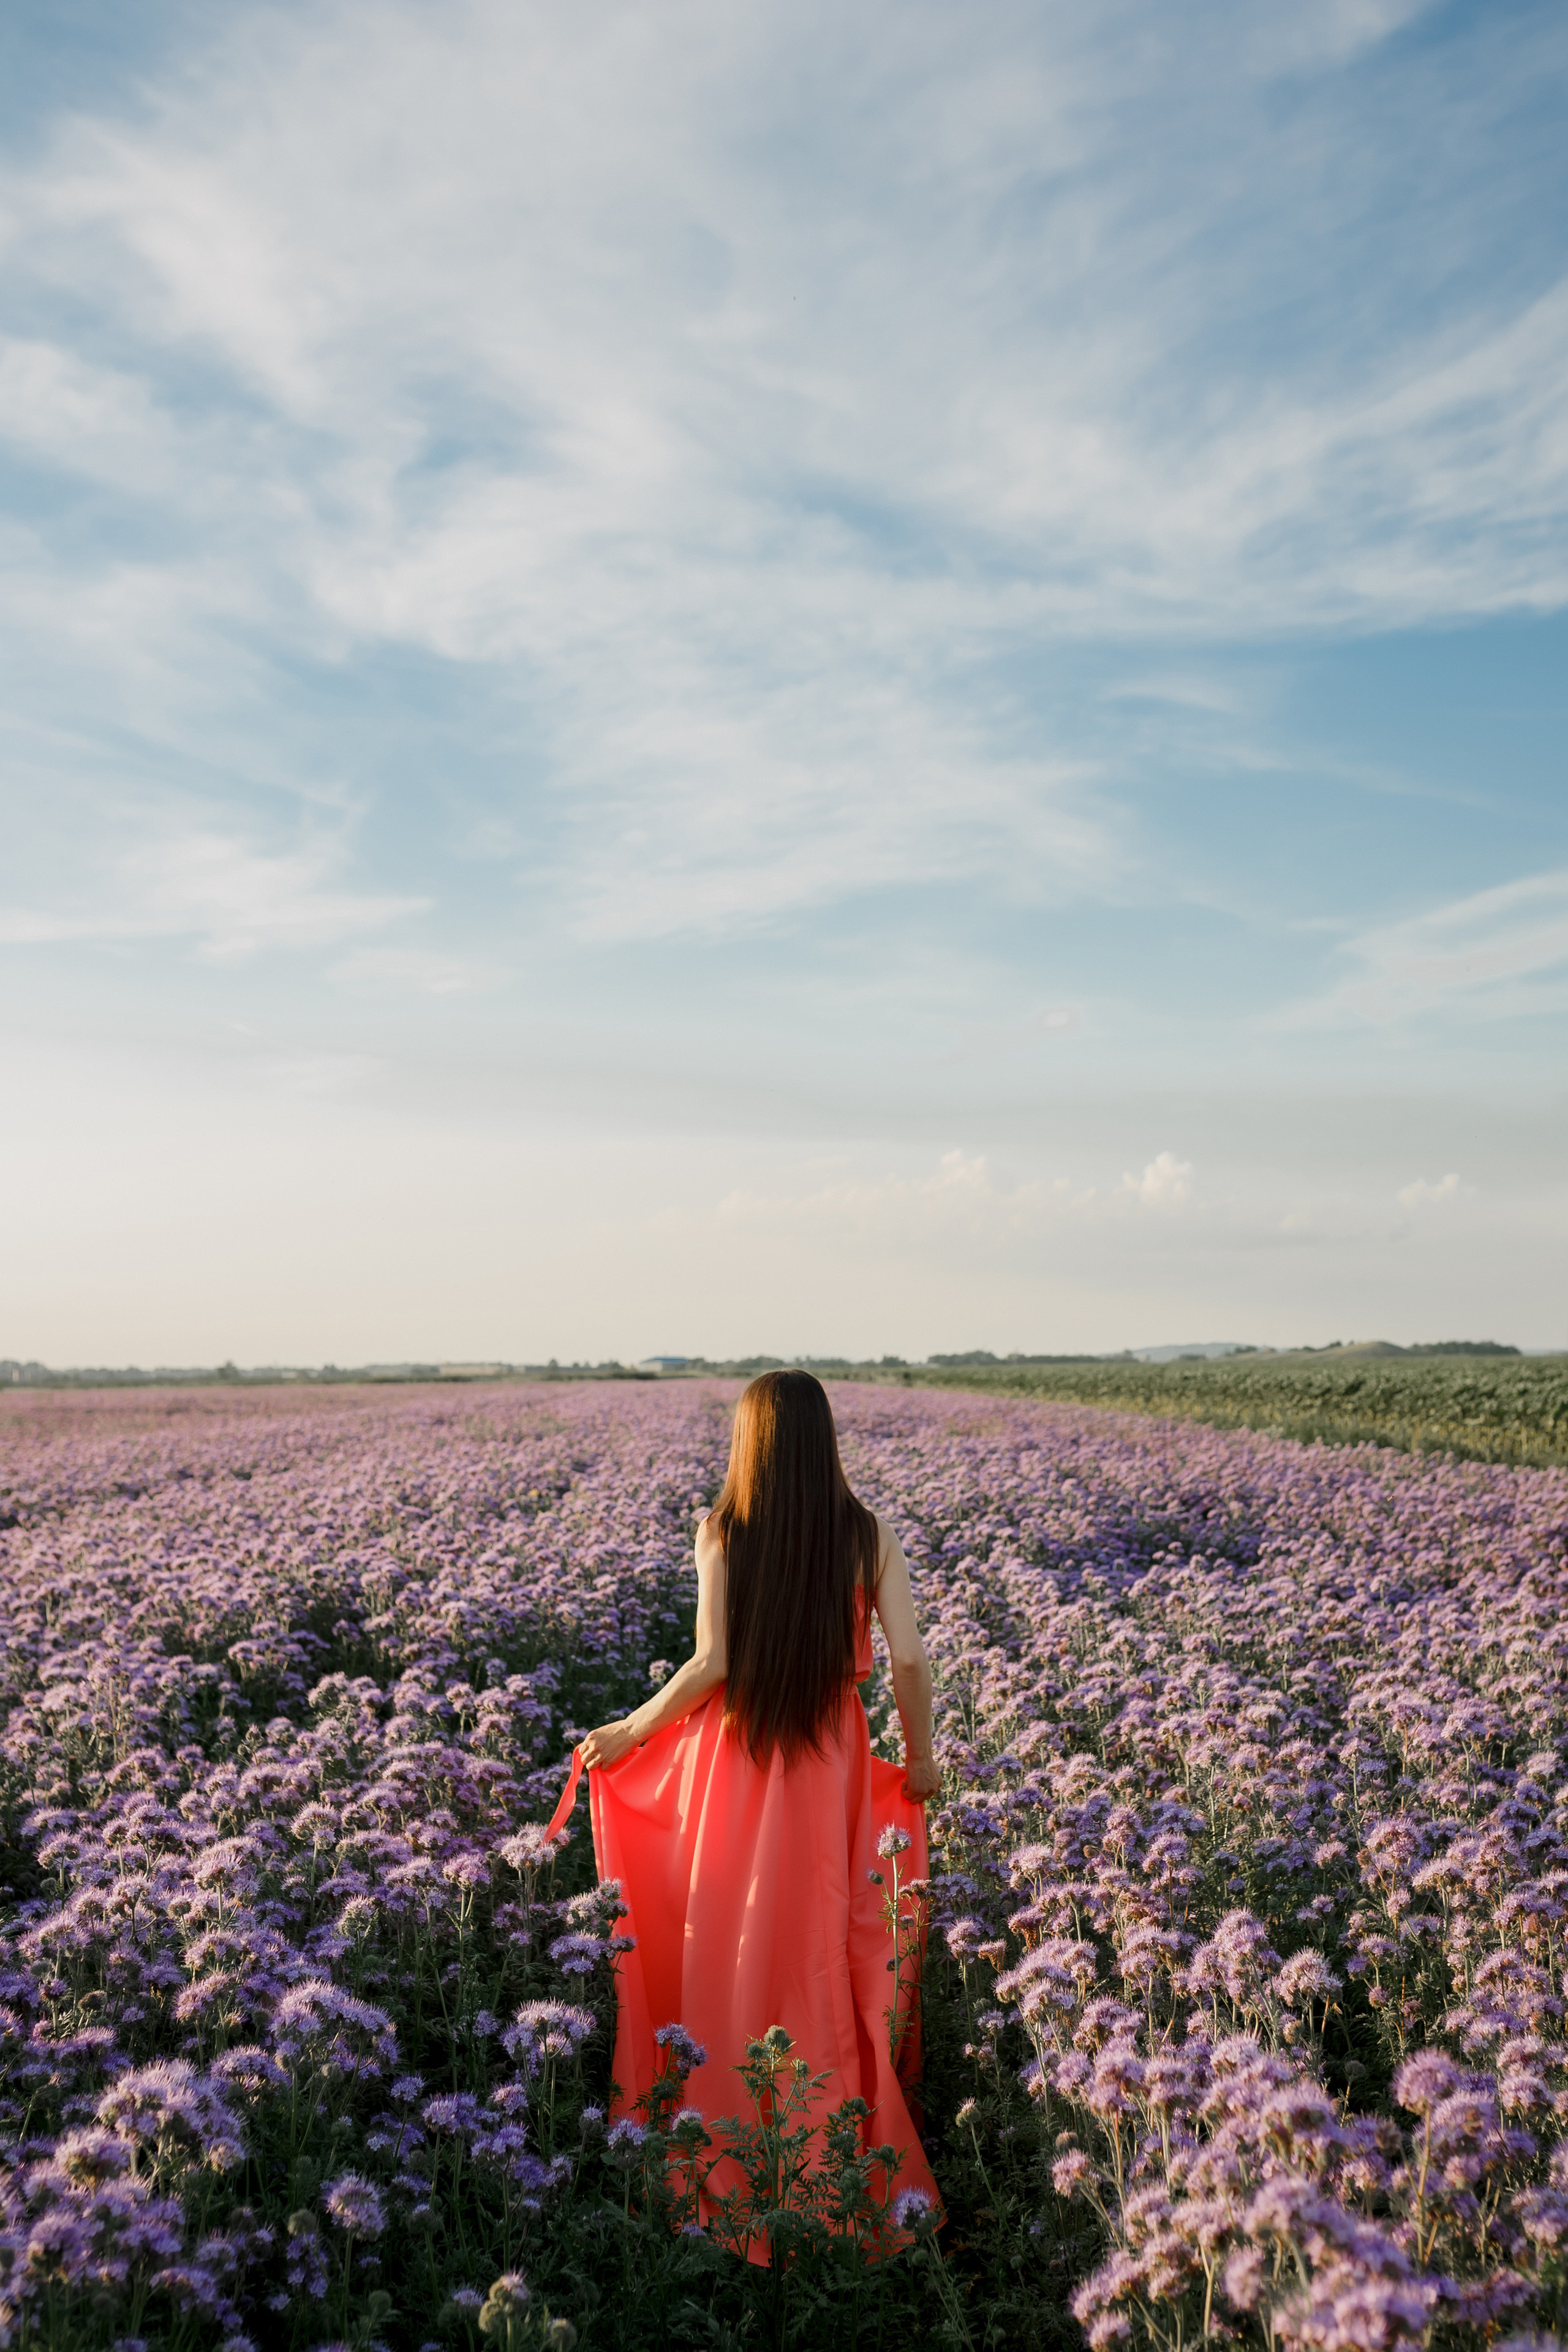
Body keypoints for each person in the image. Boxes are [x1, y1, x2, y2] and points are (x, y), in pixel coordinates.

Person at [551, 1369, 942, 2239]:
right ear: (823, 1440)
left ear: (749, 1443)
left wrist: (632, 1730)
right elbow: (909, 1660)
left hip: (738, 1757)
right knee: (827, 1941)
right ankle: (837, 2159)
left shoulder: (723, 1528)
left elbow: (712, 1664)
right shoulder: (868, 1534)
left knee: (732, 1935)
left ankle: (724, 2128)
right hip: (832, 1757)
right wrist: (918, 1760)